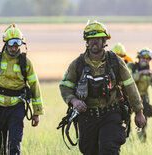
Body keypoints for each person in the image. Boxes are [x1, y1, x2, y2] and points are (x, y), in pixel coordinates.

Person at [59, 21, 146, 155]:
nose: (94, 42)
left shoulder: (115, 61)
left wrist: (139, 112)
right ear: (86, 41)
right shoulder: (78, 64)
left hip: (111, 114)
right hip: (88, 116)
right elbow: (65, 86)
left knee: (109, 149)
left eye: (98, 38)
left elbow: (130, 86)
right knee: (89, 150)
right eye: (91, 39)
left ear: (104, 40)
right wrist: (74, 101)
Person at [0, 24, 44, 154]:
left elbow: (35, 86)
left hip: (17, 107)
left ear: (21, 45)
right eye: (10, 44)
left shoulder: (26, 63)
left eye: (16, 44)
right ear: (6, 44)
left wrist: (37, 112)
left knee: (14, 146)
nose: (13, 48)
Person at [129, 48, 152, 142]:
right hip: (129, 98)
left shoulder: (149, 73)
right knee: (125, 121)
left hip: (143, 100)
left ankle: (142, 141)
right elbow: (129, 80)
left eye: (147, 59)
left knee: (142, 122)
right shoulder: (131, 67)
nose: (145, 60)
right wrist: (141, 73)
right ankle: (127, 140)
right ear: (139, 58)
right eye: (143, 58)